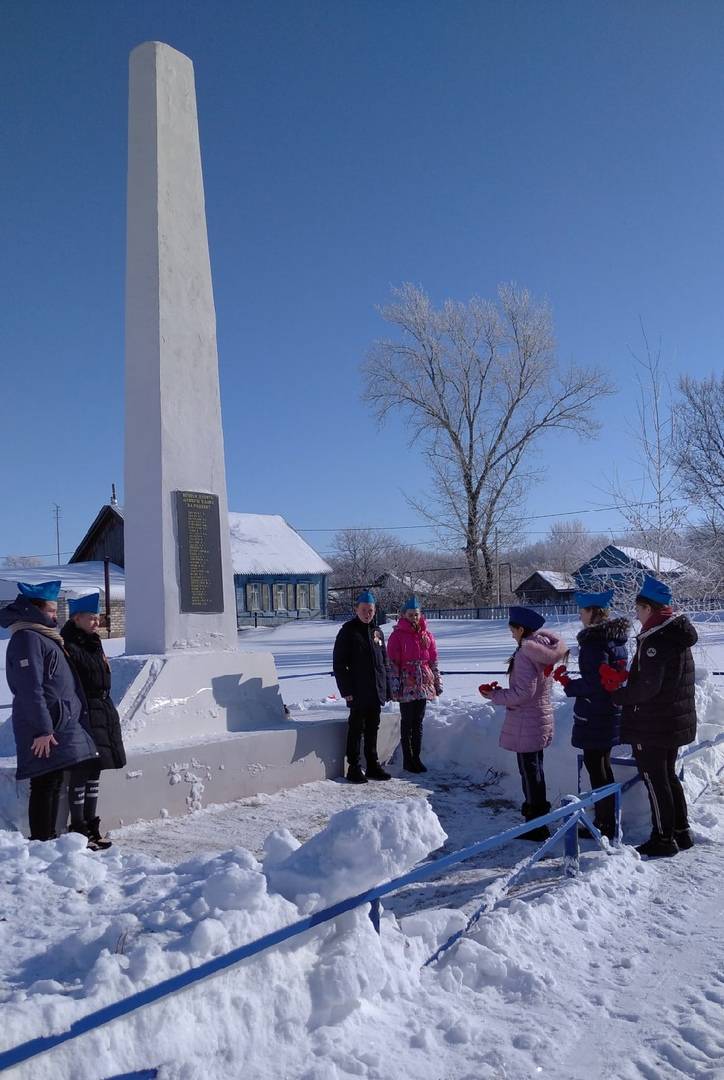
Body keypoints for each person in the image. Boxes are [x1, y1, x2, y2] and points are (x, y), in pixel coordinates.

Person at [601, 575, 697, 858]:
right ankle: (681, 831)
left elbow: (648, 687)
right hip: (672, 720)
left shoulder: (656, 639)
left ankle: (663, 838)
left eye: (638, 609)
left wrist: (618, 694)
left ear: (649, 609)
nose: (636, 614)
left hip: (655, 723)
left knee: (655, 779)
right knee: (667, 776)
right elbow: (660, 679)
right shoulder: (674, 634)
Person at [0, 581, 99, 842]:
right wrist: (43, 729)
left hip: (56, 723)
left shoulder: (41, 636)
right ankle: (43, 842)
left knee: (53, 782)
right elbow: (30, 688)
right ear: (36, 610)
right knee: (45, 784)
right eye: (52, 610)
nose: (56, 616)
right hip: (44, 728)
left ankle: (49, 841)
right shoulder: (27, 639)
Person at [479, 606, 567, 841]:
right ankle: (538, 819)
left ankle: (536, 824)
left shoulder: (525, 654)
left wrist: (495, 696)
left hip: (526, 719)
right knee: (534, 769)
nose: (511, 634)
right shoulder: (541, 651)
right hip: (538, 717)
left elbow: (523, 693)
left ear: (521, 629)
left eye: (512, 630)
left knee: (530, 772)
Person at [553, 589, 630, 841]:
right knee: (602, 766)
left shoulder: (593, 643)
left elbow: (594, 683)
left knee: (596, 767)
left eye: (582, 610)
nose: (580, 615)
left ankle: (605, 825)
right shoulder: (616, 639)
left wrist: (568, 684)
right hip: (611, 711)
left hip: (595, 713)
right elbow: (607, 678)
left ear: (593, 612)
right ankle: (607, 821)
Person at [60, 592, 126, 849]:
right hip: (83, 711)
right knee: (82, 768)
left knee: (96, 767)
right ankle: (78, 828)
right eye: (91, 617)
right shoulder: (69, 645)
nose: (96, 622)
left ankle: (91, 824)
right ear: (76, 618)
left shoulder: (94, 642)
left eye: (97, 617)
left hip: (101, 709)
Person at [332, 590, 392, 783]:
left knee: (373, 727)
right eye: (364, 610)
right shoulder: (348, 631)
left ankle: (373, 765)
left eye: (371, 610)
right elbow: (339, 664)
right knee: (357, 728)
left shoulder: (377, 632)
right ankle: (354, 767)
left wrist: (387, 688)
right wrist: (346, 691)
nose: (368, 613)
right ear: (356, 609)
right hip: (357, 691)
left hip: (375, 689)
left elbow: (384, 662)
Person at [387, 596, 442, 773]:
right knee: (407, 721)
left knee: (418, 722)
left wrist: (436, 681)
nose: (414, 618)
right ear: (404, 615)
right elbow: (393, 663)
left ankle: (416, 758)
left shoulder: (427, 635)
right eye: (410, 615)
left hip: (423, 682)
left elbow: (433, 660)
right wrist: (394, 686)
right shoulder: (397, 636)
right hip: (406, 682)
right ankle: (408, 759)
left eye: (416, 615)